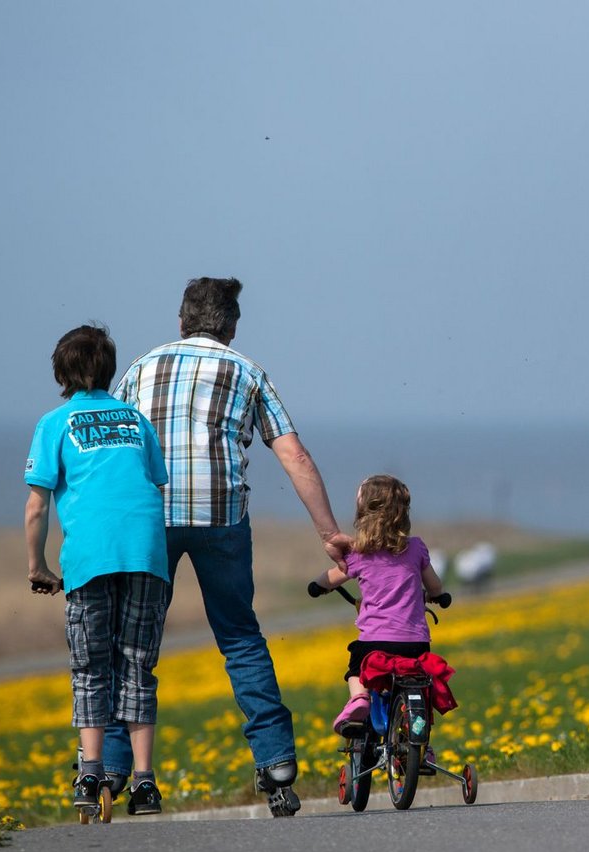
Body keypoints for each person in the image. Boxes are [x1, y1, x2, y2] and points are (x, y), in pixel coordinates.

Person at [107, 277, 352, 817]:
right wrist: (329, 534)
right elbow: (296, 457)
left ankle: (116, 769)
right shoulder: (247, 371)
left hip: (152, 517)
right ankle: (277, 765)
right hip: (222, 517)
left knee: (134, 645)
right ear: (232, 326)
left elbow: (114, 450)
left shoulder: (140, 369)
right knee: (240, 638)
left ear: (180, 320)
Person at [24, 324, 173, 817]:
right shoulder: (135, 419)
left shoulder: (55, 423)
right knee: (136, 666)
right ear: (109, 369)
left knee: (91, 667)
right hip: (146, 555)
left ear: (61, 373)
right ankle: (145, 783)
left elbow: (36, 507)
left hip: (89, 559)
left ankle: (90, 775)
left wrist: (38, 565)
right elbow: (153, 482)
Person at [309, 474, 452, 753]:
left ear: (363, 512)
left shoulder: (359, 553)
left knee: (355, 668)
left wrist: (317, 586)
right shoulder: (416, 548)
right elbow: (435, 585)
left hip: (375, 643)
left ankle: (359, 698)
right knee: (418, 685)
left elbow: (331, 578)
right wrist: (436, 596)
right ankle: (423, 745)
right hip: (415, 643)